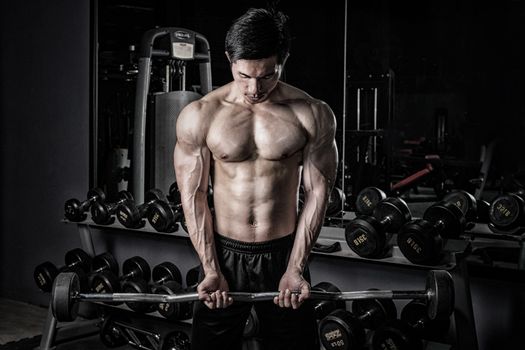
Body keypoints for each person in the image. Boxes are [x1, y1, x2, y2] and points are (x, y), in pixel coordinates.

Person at [174, 7, 338, 350]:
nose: (254, 88)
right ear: (229, 59)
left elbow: (318, 192)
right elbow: (194, 196)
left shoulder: (311, 113)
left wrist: (296, 266)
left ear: (283, 60)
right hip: (224, 253)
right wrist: (210, 268)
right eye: (244, 75)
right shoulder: (202, 115)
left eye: (267, 76)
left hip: (283, 251)